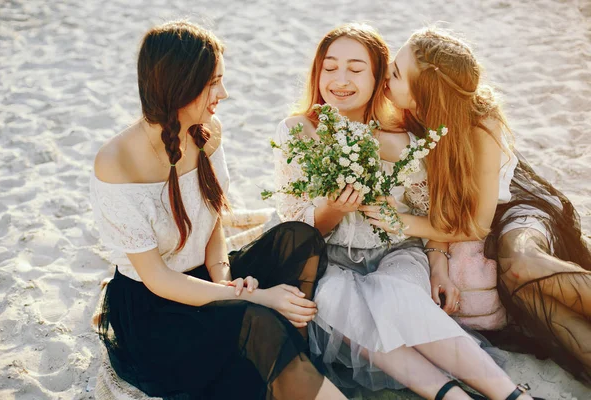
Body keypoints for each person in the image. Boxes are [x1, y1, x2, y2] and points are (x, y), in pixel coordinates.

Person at [274, 23, 537, 400]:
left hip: (397, 251)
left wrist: (438, 262)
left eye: (356, 68)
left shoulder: (405, 139)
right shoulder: (298, 132)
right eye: (329, 68)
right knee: (332, 300)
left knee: (395, 296)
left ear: (380, 77)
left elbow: (434, 212)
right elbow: (293, 221)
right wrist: (332, 209)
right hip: (330, 259)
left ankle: (509, 394)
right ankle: (450, 396)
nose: (340, 80)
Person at [90, 20, 347, 399]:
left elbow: (210, 221)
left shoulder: (208, 130)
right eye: (214, 82)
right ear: (179, 83)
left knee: (301, 239)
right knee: (259, 317)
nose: (223, 93)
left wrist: (225, 276)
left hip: (208, 279)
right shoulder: (115, 162)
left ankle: (292, 365)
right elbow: (159, 279)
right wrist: (255, 296)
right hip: (156, 308)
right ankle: (293, 376)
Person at [360, 26, 591, 386]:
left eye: (395, 72)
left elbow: (477, 227)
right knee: (534, 301)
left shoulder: (481, 123)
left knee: (521, 262)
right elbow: (437, 209)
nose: (385, 75)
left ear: (425, 93)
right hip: (468, 222)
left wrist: (396, 221)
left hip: (515, 207)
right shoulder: (412, 123)